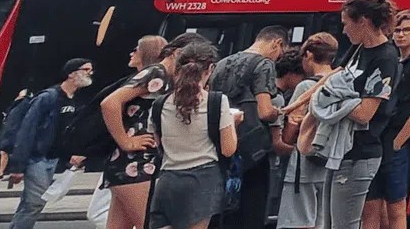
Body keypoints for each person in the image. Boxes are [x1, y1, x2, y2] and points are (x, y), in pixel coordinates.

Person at [303, 0, 402, 229]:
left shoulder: (386, 58)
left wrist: (329, 103)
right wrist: (296, 105)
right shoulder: (358, 50)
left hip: (360, 152)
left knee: (343, 225)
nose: (344, 30)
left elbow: (364, 112)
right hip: (341, 151)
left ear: (363, 21)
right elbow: (331, 81)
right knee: (328, 223)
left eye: (346, 23)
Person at [100, 32, 197, 229]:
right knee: (153, 224)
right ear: (177, 53)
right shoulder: (157, 73)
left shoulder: (161, 75)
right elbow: (110, 103)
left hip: (130, 162)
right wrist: (126, 142)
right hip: (138, 163)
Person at [147, 41, 238, 229]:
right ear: (210, 68)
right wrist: (233, 123)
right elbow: (228, 149)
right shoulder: (217, 101)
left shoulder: (159, 104)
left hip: (167, 181)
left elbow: (158, 144)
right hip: (203, 181)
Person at [211, 25, 288, 229]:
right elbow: (264, 111)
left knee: (226, 207)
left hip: (223, 142)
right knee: (252, 208)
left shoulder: (222, 63)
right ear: (277, 43)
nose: (278, 59)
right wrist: (278, 112)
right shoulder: (264, 64)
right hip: (253, 150)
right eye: (281, 54)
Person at [365, 10, 410, 229]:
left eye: (406, 30)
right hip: (380, 139)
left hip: (396, 145)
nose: (400, 35)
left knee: (396, 208)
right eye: (396, 30)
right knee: (372, 207)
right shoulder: (394, 60)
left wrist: (398, 141)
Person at [6, 58, 94, 229]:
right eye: (86, 69)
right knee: (35, 203)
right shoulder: (48, 97)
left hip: (51, 159)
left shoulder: (72, 99)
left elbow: (64, 133)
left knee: (31, 204)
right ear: (71, 73)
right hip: (37, 158)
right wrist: (17, 166)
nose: (90, 73)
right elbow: (27, 129)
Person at [276, 33, 339, 229]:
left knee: (299, 222)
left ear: (309, 55)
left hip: (303, 169)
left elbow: (290, 132)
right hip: (331, 164)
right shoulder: (342, 82)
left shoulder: (306, 86)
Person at [0, 88, 33, 179]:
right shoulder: (18, 103)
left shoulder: (24, 103)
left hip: (15, 131)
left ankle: (6, 172)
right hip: (10, 130)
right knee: (5, 151)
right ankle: (2, 171)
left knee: (6, 151)